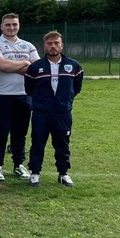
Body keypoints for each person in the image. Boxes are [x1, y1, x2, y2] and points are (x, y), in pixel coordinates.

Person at [25, 31, 84, 188]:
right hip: (41, 113)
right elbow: (29, 89)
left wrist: (65, 101)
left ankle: (63, 173)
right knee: (37, 143)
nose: (53, 46)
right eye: (49, 43)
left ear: (61, 45)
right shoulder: (35, 68)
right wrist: (43, 102)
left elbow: (76, 87)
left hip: (62, 113)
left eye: (56, 43)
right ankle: (35, 173)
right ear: (44, 46)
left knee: (62, 144)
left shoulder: (74, 66)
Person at [0, 13, 39, 181]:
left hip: (24, 95)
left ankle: (18, 164)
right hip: (2, 95)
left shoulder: (28, 45)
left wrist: (13, 66)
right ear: (2, 27)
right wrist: (25, 63)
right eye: (8, 25)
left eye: (14, 24)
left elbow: (36, 69)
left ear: (19, 26)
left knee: (20, 132)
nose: (11, 27)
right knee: (1, 132)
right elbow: (1, 65)